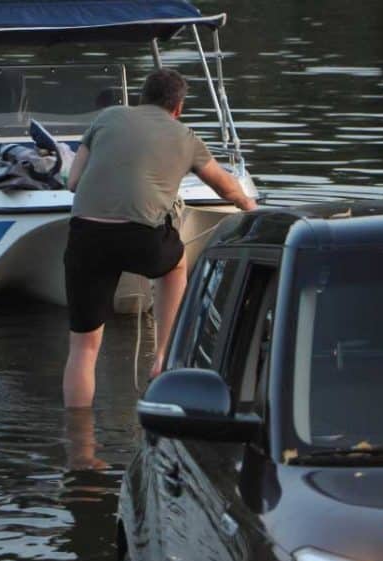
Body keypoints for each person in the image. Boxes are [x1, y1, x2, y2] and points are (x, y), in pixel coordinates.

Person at [61, 68, 257, 408]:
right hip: (141, 238)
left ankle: (81, 450)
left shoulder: (107, 118)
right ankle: (164, 353)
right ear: (178, 107)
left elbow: (73, 182)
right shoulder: (186, 137)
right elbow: (224, 185)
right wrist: (249, 206)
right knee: (176, 263)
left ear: (141, 98)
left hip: (86, 235)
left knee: (83, 348)